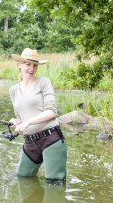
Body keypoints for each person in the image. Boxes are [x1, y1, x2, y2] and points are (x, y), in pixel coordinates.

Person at [9, 48, 67, 184]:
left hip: (51, 138)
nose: (32, 68)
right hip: (30, 142)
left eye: (35, 65)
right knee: (22, 178)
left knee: (54, 184)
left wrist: (27, 123)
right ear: (19, 64)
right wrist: (15, 122)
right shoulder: (13, 90)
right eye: (28, 64)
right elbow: (21, 119)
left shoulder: (44, 82)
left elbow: (51, 112)